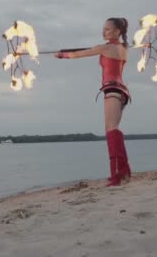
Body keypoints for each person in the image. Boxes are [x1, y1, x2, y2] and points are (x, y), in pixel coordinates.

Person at [55, 18, 132, 186]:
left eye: (108, 29)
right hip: (122, 91)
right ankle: (124, 170)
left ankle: (116, 175)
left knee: (110, 130)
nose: (104, 32)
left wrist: (61, 55)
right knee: (114, 130)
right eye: (103, 29)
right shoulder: (124, 48)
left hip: (112, 90)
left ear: (118, 31)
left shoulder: (104, 48)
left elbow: (77, 55)